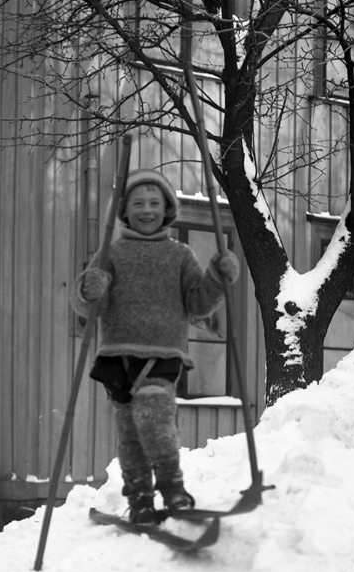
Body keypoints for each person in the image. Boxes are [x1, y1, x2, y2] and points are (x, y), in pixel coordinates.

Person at [71, 169, 240, 525]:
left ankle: (172, 488)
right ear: (125, 211)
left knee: (154, 417)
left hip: (164, 355)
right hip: (118, 356)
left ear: (167, 210)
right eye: (137, 203)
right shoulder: (111, 254)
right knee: (130, 432)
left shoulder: (180, 255)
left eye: (154, 203)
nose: (146, 210)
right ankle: (141, 499)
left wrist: (217, 277)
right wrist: (89, 288)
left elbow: (199, 303)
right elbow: (90, 308)